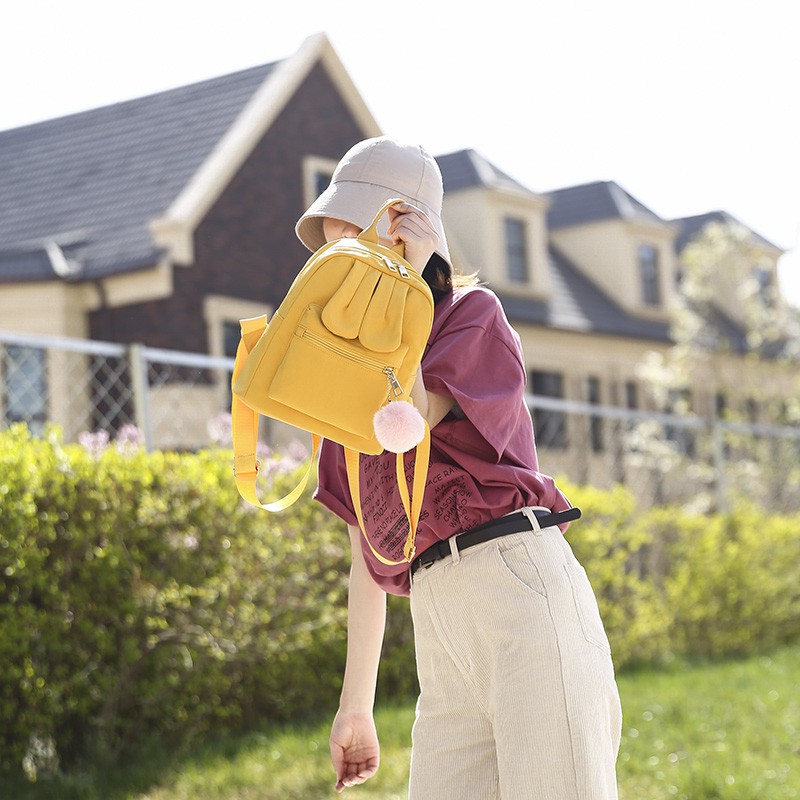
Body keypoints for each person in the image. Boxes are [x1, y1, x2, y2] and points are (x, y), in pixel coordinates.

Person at [295, 136, 622, 799]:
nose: (336, 258)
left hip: (514, 585)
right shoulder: (337, 379)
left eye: (351, 235)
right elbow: (369, 541)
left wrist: (414, 283)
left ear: (402, 228)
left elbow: (407, 416)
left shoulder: (470, 319)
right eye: (329, 241)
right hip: (438, 623)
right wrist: (355, 705)